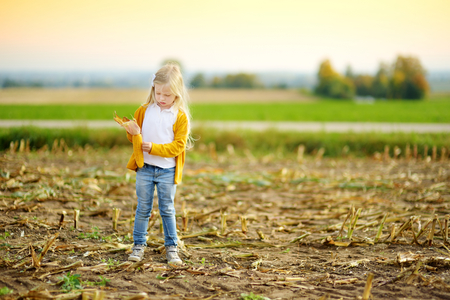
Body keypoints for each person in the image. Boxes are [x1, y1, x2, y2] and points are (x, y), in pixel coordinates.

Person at [125, 63, 192, 264]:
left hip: (167, 171)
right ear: (153, 88)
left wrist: (153, 148)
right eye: (158, 93)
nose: (161, 98)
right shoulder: (143, 111)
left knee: (167, 209)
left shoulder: (180, 117)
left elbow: (178, 147)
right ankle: (138, 246)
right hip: (144, 168)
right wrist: (132, 134)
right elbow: (135, 141)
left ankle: (172, 248)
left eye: (167, 95)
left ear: (177, 95)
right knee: (143, 208)